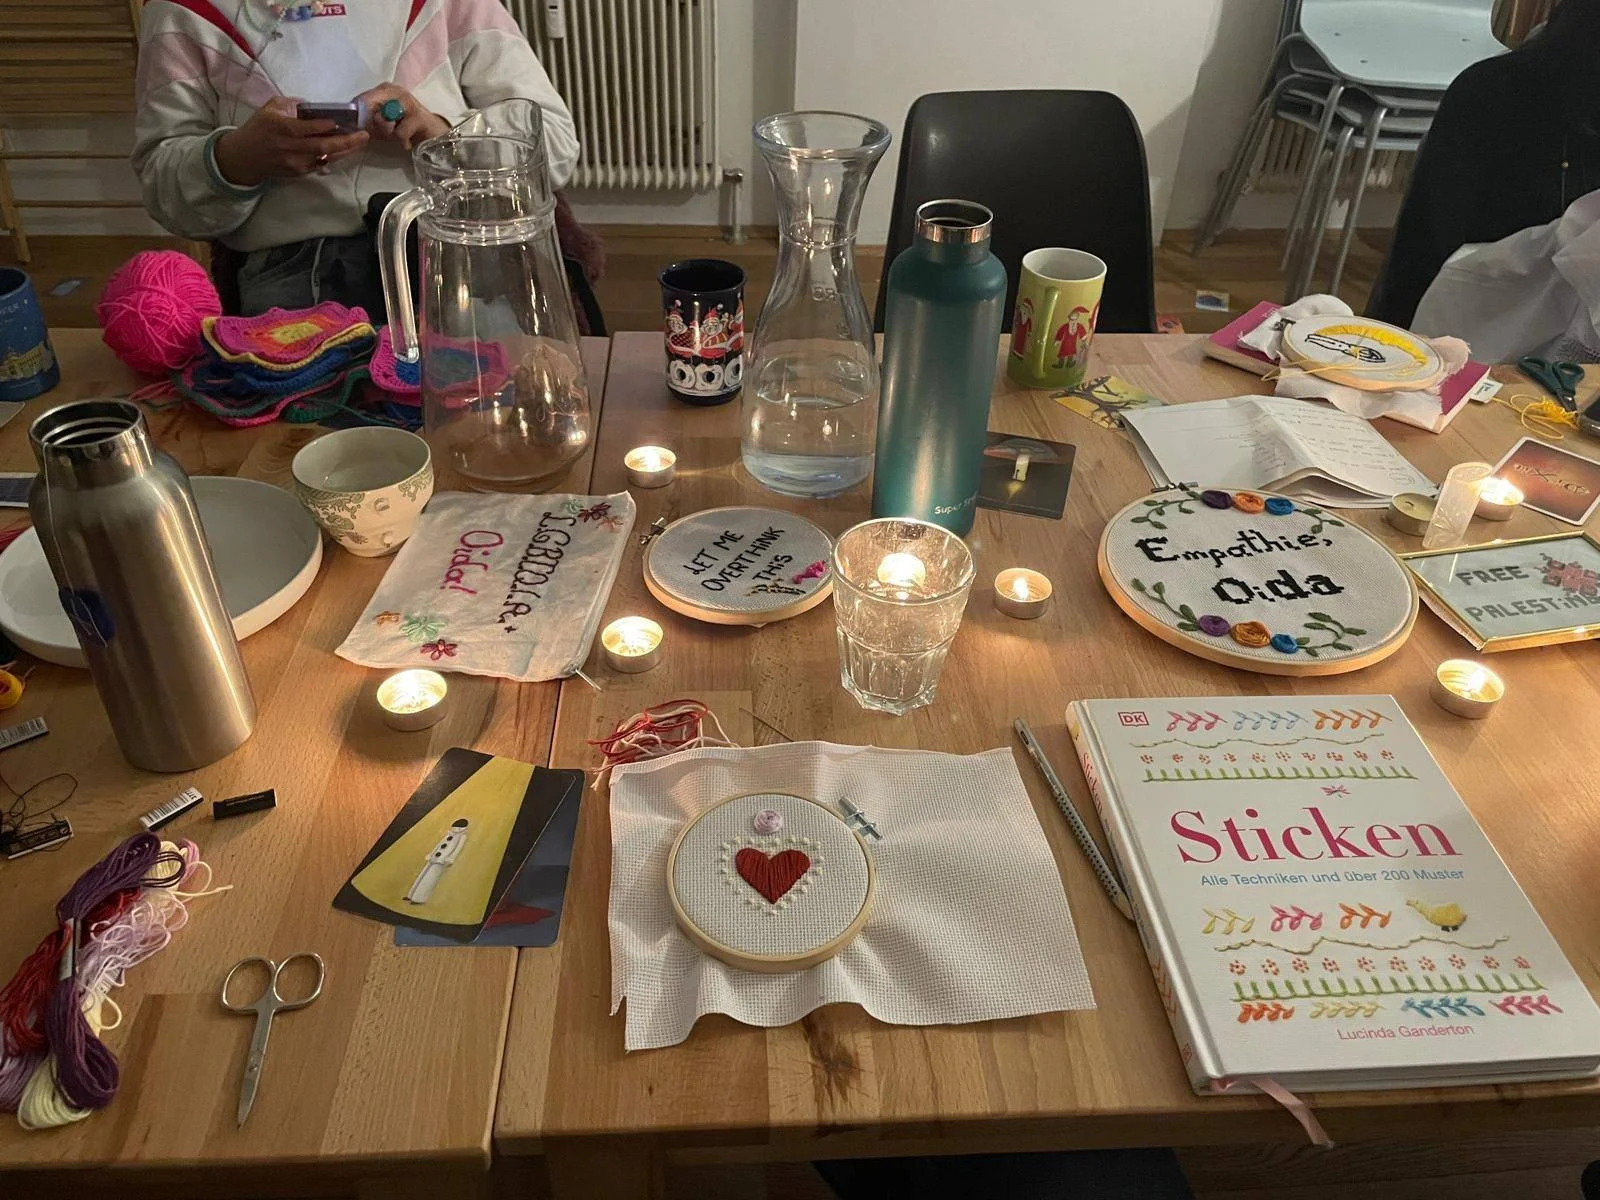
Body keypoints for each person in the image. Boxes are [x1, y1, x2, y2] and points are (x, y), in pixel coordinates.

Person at [132, 0, 579, 318]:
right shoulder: (183, 11)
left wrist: (442, 133)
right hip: (292, 275)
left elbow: (554, 147)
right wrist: (238, 160)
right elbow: (164, 190)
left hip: (457, 253)